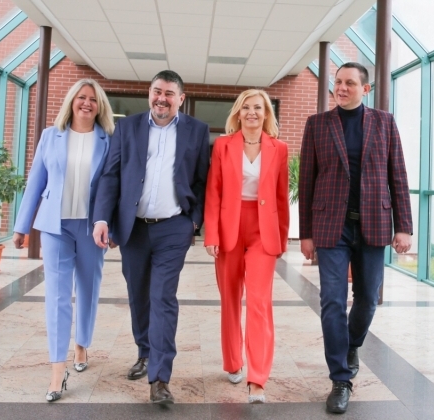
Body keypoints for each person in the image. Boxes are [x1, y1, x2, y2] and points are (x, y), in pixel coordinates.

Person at [298, 62, 413, 414]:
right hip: (331, 227)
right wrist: (305, 233)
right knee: (332, 301)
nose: (342, 88)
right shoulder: (317, 124)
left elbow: (398, 175)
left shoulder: (384, 122)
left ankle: (352, 343)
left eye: (349, 83)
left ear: (365, 89)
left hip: (374, 225)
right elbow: (307, 181)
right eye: (338, 82)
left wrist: (404, 225)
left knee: (367, 299)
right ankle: (340, 378)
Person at [92, 70, 210, 404]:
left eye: (169, 93)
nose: (162, 98)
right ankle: (145, 351)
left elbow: (202, 179)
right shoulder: (127, 128)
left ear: (181, 99)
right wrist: (103, 218)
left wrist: (194, 222)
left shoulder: (197, 131)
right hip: (134, 228)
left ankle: (160, 377)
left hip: (174, 226)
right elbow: (111, 175)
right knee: (138, 294)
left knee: (163, 297)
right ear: (149, 93)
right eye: (157, 91)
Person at [12, 79, 114, 402]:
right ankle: (58, 369)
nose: (86, 103)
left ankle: (81, 343)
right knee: (57, 296)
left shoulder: (108, 139)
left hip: (90, 228)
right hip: (55, 227)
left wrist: (112, 227)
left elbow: (113, 187)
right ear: (72, 101)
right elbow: (35, 182)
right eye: (81, 98)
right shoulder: (50, 136)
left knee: (88, 287)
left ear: (100, 107)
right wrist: (21, 225)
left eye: (93, 100)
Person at [204, 89, 289, 404]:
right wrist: (211, 234)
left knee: (258, 302)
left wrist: (280, 237)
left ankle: (257, 379)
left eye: (258, 107)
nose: (252, 112)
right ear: (238, 113)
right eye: (246, 107)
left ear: (267, 113)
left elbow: (281, 197)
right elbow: (213, 192)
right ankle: (232, 362)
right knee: (229, 298)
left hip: (262, 232)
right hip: (229, 229)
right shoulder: (224, 146)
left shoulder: (279, 148)